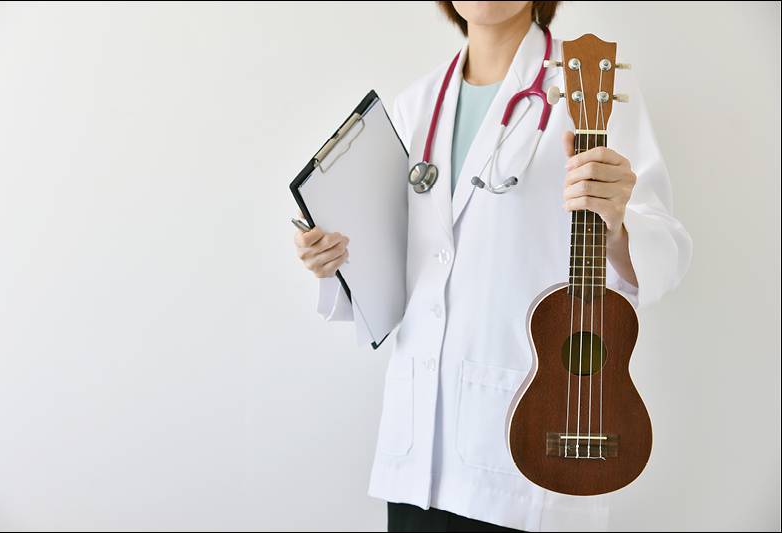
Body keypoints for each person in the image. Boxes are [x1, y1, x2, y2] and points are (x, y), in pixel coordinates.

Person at [293, 2, 691, 531]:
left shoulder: (588, 85)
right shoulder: (418, 105)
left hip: (530, 448)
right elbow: (400, 275)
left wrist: (617, 225)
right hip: (417, 453)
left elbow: (667, 246)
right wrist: (334, 261)